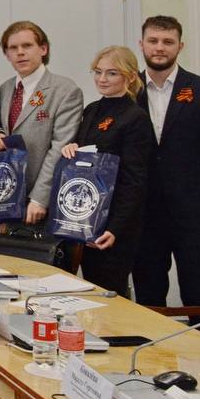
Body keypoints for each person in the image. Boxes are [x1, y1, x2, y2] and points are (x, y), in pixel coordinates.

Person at [132, 15, 200, 315]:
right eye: (153, 41)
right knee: (148, 295)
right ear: (141, 44)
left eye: (168, 42)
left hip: (195, 216)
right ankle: (151, 347)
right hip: (144, 215)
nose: (160, 47)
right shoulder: (127, 90)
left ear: (180, 46)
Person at [57, 46, 154, 296]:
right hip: (86, 217)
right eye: (98, 72)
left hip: (114, 225)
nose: (102, 79)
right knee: (89, 290)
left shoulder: (135, 117)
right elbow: (86, 153)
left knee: (110, 292)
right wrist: (71, 148)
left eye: (112, 73)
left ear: (129, 77)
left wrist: (115, 229)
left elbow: (135, 180)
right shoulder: (91, 110)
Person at [0, 21, 83, 225]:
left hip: (43, 201)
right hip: (9, 195)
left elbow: (60, 147)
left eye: (27, 45)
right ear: (7, 55)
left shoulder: (65, 90)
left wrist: (40, 197)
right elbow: (8, 128)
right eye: (13, 48)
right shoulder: (5, 89)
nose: (20, 52)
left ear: (43, 49)